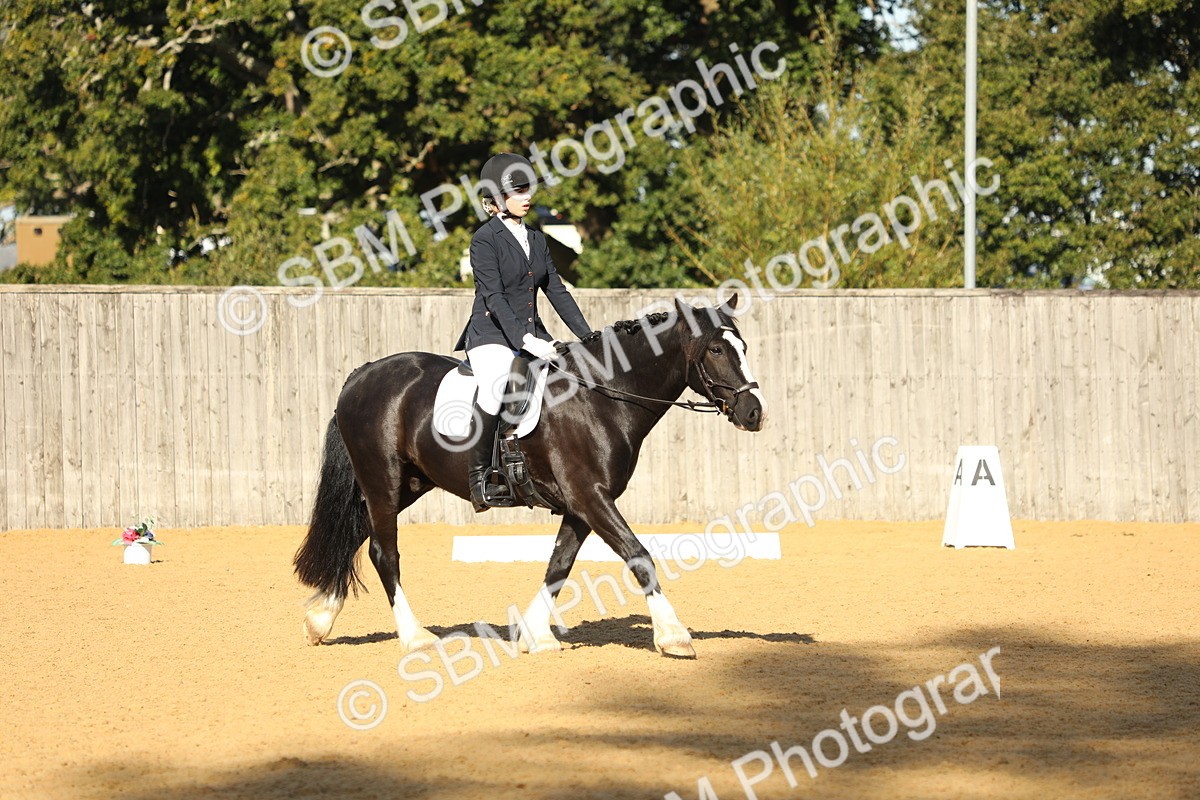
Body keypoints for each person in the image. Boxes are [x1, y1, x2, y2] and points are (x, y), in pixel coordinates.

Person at [454, 153, 593, 511]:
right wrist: (525, 340)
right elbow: (494, 296)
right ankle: (480, 480)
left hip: (533, 333)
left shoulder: (536, 238)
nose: (527, 196)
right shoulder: (484, 240)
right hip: (491, 335)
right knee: (497, 385)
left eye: (528, 188)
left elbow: (557, 291)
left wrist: (587, 337)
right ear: (497, 198)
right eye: (518, 190)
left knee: (571, 377)